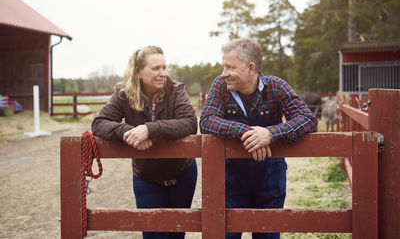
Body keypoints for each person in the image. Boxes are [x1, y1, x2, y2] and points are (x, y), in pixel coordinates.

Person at [200, 38, 318, 239]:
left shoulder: (276, 86)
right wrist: (248, 133)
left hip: (270, 180)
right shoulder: (221, 85)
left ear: (251, 67)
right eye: (223, 66)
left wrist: (271, 134)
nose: (223, 73)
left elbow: (307, 119)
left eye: (230, 67)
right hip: (232, 181)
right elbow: (207, 121)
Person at [92, 45, 198, 239]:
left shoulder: (176, 90)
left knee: (177, 234)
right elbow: (99, 123)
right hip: (146, 175)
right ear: (139, 72)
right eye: (156, 68)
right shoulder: (123, 94)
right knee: (153, 235)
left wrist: (149, 129)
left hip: (182, 172)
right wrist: (129, 132)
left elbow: (190, 123)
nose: (162, 73)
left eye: (164, 68)